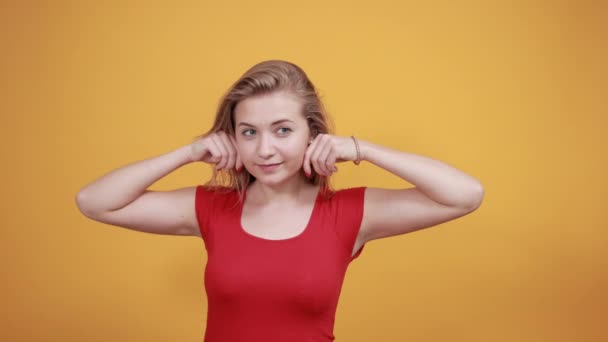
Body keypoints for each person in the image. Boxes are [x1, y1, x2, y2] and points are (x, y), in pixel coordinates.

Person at [75, 59, 485, 341]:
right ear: (232, 137)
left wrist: (361, 148)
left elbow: (465, 195)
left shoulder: (348, 215)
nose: (264, 149)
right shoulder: (212, 208)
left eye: (283, 130)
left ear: (312, 132)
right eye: (249, 132)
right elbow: (94, 201)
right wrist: (188, 153)